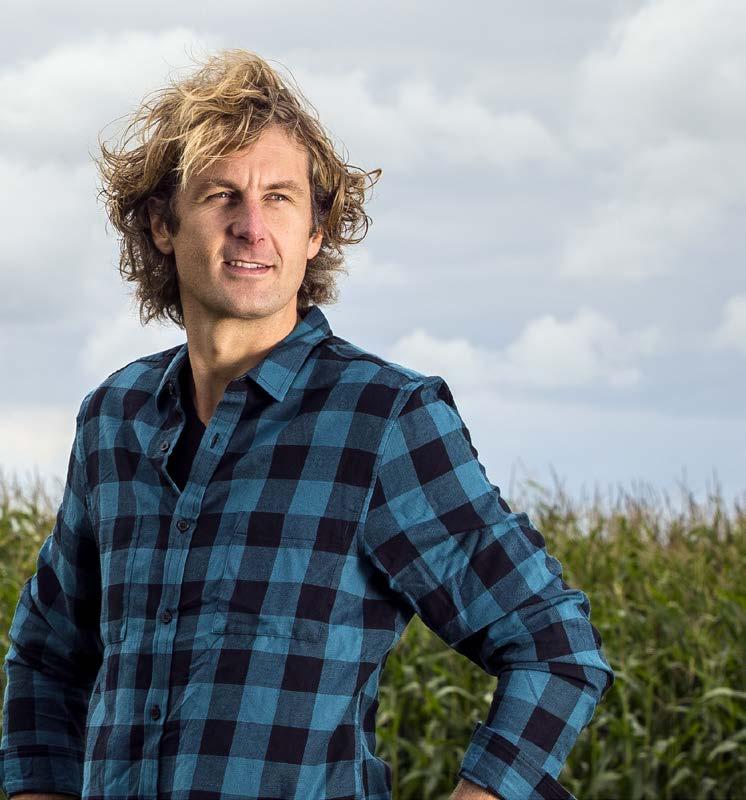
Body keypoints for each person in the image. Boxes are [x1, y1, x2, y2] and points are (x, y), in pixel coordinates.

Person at [0, 49, 614, 800]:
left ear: (317, 231)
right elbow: (46, 658)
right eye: (222, 195)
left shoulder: (382, 420)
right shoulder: (113, 418)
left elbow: (553, 646)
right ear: (162, 223)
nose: (252, 227)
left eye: (281, 198)